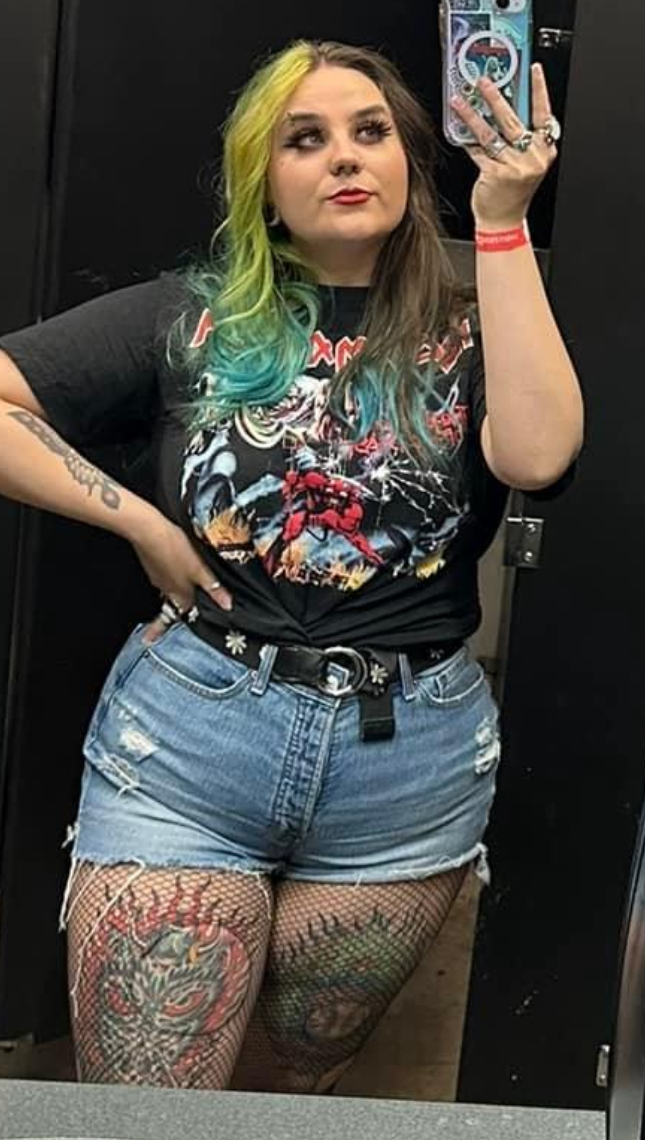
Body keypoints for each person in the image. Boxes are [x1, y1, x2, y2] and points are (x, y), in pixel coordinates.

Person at [0, 40, 582, 1093]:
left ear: (407, 161)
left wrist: (502, 217)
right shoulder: (189, 317)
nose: (344, 157)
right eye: (303, 139)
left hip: (408, 767)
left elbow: (537, 459)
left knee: (289, 1083)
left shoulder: (475, 329)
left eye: (371, 132)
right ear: (262, 184)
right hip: (192, 741)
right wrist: (138, 521)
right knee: (149, 1102)